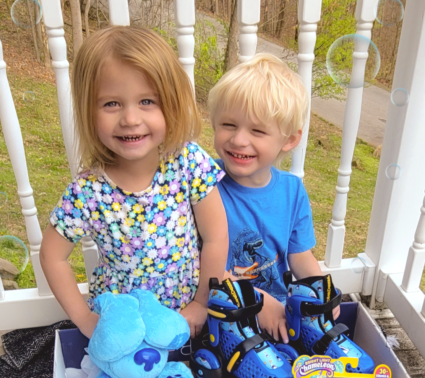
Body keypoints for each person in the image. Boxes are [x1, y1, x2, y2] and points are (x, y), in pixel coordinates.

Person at [40, 26, 228, 340]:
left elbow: (216, 236)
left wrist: (200, 303)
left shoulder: (187, 162)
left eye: (146, 101)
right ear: (89, 111)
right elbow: (52, 255)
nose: (129, 118)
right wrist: (86, 320)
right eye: (111, 104)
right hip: (124, 332)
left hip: (186, 320)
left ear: (170, 104)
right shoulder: (88, 192)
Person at [208, 53, 339, 343]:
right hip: (224, 314)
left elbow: (300, 255)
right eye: (229, 125)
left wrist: (321, 292)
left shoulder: (292, 191)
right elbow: (201, 265)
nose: (239, 140)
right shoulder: (204, 185)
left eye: (257, 130)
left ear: (289, 140)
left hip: (278, 313)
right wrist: (260, 301)